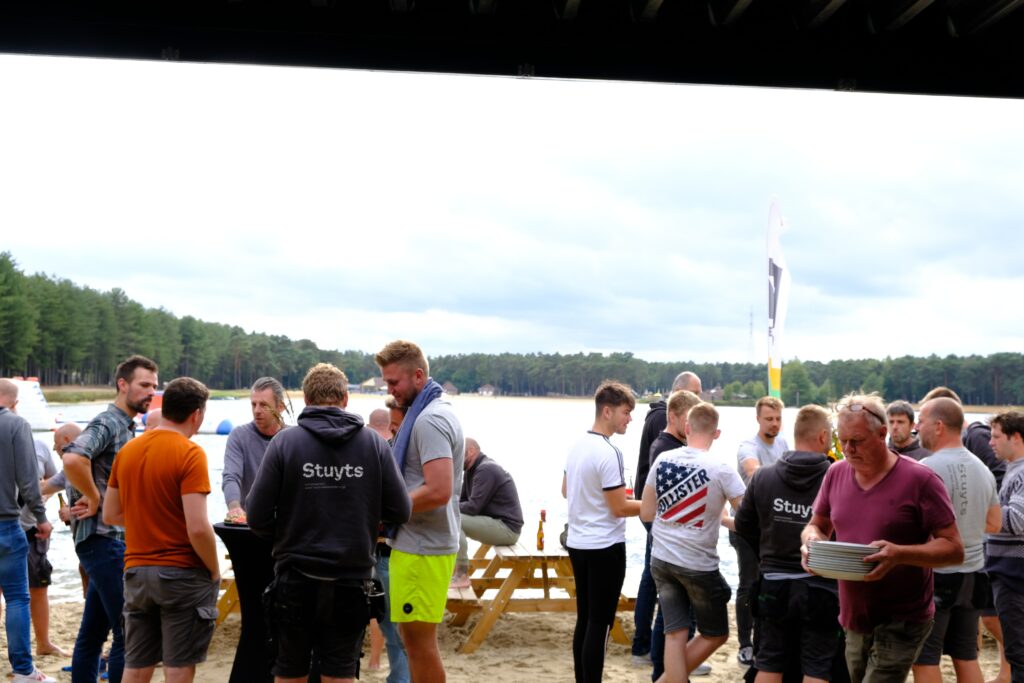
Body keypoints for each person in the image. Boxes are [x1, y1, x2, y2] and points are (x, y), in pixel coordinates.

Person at [247, 363, 412, 683]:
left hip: (295, 575)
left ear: (307, 400)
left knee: (289, 673)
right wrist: (364, 517)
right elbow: (401, 510)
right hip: (351, 578)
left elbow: (256, 516)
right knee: (339, 675)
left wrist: (285, 535)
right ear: (345, 399)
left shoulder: (284, 442)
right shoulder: (374, 444)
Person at [801, 393, 964, 683]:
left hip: (903, 616)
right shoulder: (835, 473)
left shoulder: (920, 479)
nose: (848, 449)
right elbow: (816, 524)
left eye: (857, 440)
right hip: (854, 614)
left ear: (882, 433)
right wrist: (811, 541)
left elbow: (954, 549)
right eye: (842, 440)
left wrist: (899, 554)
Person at [102, 377, 221, 683]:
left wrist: (148, 520)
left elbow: (110, 514)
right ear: (196, 414)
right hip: (180, 572)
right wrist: (213, 568)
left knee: (136, 664)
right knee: (178, 665)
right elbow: (198, 527)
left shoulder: (128, 451)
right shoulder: (190, 453)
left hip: (137, 571)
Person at [63, 355, 158, 683]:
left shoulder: (126, 426)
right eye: (144, 385)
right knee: (128, 631)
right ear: (122, 384)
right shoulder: (110, 422)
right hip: (104, 540)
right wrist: (93, 497)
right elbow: (73, 458)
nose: (151, 392)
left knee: (93, 633)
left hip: (107, 540)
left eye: (154, 386)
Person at [375, 341, 464, 683]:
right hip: (417, 545)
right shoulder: (430, 412)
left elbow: (439, 490)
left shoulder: (429, 420)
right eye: (386, 382)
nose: (390, 390)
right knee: (412, 642)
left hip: (423, 549)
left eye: (394, 382)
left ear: (418, 375)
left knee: (419, 644)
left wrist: (386, 511)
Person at [734, 405, 841, 683]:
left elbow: (744, 525)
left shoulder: (763, 477)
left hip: (774, 583)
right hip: (821, 584)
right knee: (817, 666)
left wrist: (767, 549)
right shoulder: (838, 478)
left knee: (769, 661)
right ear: (823, 436)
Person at [640, 401, 743, 683]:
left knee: (675, 634)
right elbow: (748, 519)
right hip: (697, 564)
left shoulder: (663, 460)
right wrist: (723, 519)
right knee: (715, 633)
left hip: (661, 559)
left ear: (687, 428)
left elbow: (646, 512)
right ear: (717, 433)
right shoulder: (721, 469)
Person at [911, 397, 999, 683]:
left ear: (938, 426)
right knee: (966, 656)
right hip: (974, 574)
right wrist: (967, 523)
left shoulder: (926, 469)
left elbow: (912, 525)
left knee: (924, 658)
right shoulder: (982, 468)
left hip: (936, 576)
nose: (916, 427)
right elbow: (994, 523)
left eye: (921, 421)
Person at [562, 380, 642, 683]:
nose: (629, 419)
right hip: (605, 546)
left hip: (579, 543)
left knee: (585, 618)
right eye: (626, 412)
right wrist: (651, 504)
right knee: (600, 622)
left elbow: (566, 490)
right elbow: (619, 508)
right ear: (607, 411)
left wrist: (596, 498)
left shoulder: (577, 446)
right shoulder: (609, 451)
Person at [633, 373, 702, 666]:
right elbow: (662, 469)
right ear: (678, 395)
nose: (700, 399)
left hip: (655, 507)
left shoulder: (663, 420)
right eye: (695, 393)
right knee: (657, 579)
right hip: (657, 510)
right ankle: (646, 647)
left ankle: (648, 647)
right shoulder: (660, 421)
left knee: (654, 576)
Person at [0, 379, 57, 683]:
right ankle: (23, 671)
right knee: (17, 599)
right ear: (13, 401)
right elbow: (28, 480)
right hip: (6, 523)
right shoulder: (15, 424)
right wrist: (41, 517)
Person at [733, 396, 790, 667]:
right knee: (748, 583)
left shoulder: (783, 443)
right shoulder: (748, 446)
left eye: (778, 419)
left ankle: (763, 641)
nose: (774, 423)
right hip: (746, 525)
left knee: (768, 583)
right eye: (769, 419)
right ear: (758, 419)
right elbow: (752, 470)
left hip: (772, 525)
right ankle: (745, 644)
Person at [366, 406, 409, 681]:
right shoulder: (393, 451)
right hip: (384, 549)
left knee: (393, 626)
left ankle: (399, 678)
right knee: (389, 622)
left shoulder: (382, 453)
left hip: (388, 550)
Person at [985, 410, 1024, 683]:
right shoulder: (1015, 470)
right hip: (1010, 571)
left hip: (1014, 574)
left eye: (996, 436)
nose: (990, 442)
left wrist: (980, 508)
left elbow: (1018, 520)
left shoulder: (1022, 473)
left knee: (1019, 653)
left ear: (1016, 437)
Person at [452, 438, 524, 586]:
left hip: (508, 529)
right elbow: (462, 501)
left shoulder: (486, 469)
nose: (455, 458)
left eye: (458, 453)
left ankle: (461, 575)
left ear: (471, 451)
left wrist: (448, 507)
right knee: (452, 516)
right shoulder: (470, 471)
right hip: (496, 524)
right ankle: (455, 572)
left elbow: (472, 507)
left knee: (455, 520)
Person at [222, 377, 290, 517]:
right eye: (254, 404)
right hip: (249, 519)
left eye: (263, 405)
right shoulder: (239, 436)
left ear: (280, 407)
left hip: (286, 521)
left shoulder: (293, 438)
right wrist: (234, 507)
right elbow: (231, 476)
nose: (257, 410)